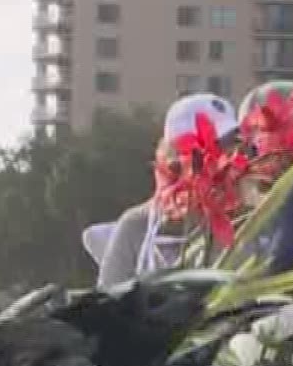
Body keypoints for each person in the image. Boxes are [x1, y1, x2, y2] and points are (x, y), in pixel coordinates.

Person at [94, 93, 242, 288]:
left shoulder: (245, 220)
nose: (227, 155)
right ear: (175, 156)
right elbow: (107, 299)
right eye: (216, 145)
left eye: (231, 143)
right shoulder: (138, 223)